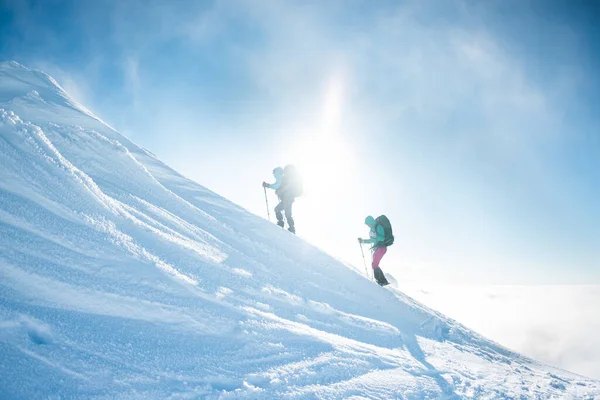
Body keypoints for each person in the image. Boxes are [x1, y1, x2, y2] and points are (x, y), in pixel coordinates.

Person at [263, 165, 302, 233]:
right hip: (286, 199)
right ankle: (282, 223)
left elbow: (276, 186)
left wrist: (268, 185)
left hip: (288, 198)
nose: (274, 175)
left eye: (274, 173)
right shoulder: (283, 178)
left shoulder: (281, 178)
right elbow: (278, 186)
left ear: (277, 172)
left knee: (287, 214)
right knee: (277, 209)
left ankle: (291, 228)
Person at [358, 215, 394, 286]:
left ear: (370, 222)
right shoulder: (372, 230)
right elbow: (372, 240)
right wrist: (363, 241)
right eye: (366, 224)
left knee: (375, 264)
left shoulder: (378, 227)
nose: (367, 225)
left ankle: (381, 282)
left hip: (382, 248)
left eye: (367, 223)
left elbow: (382, 238)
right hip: (378, 248)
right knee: (374, 264)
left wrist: (375, 237)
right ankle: (382, 281)